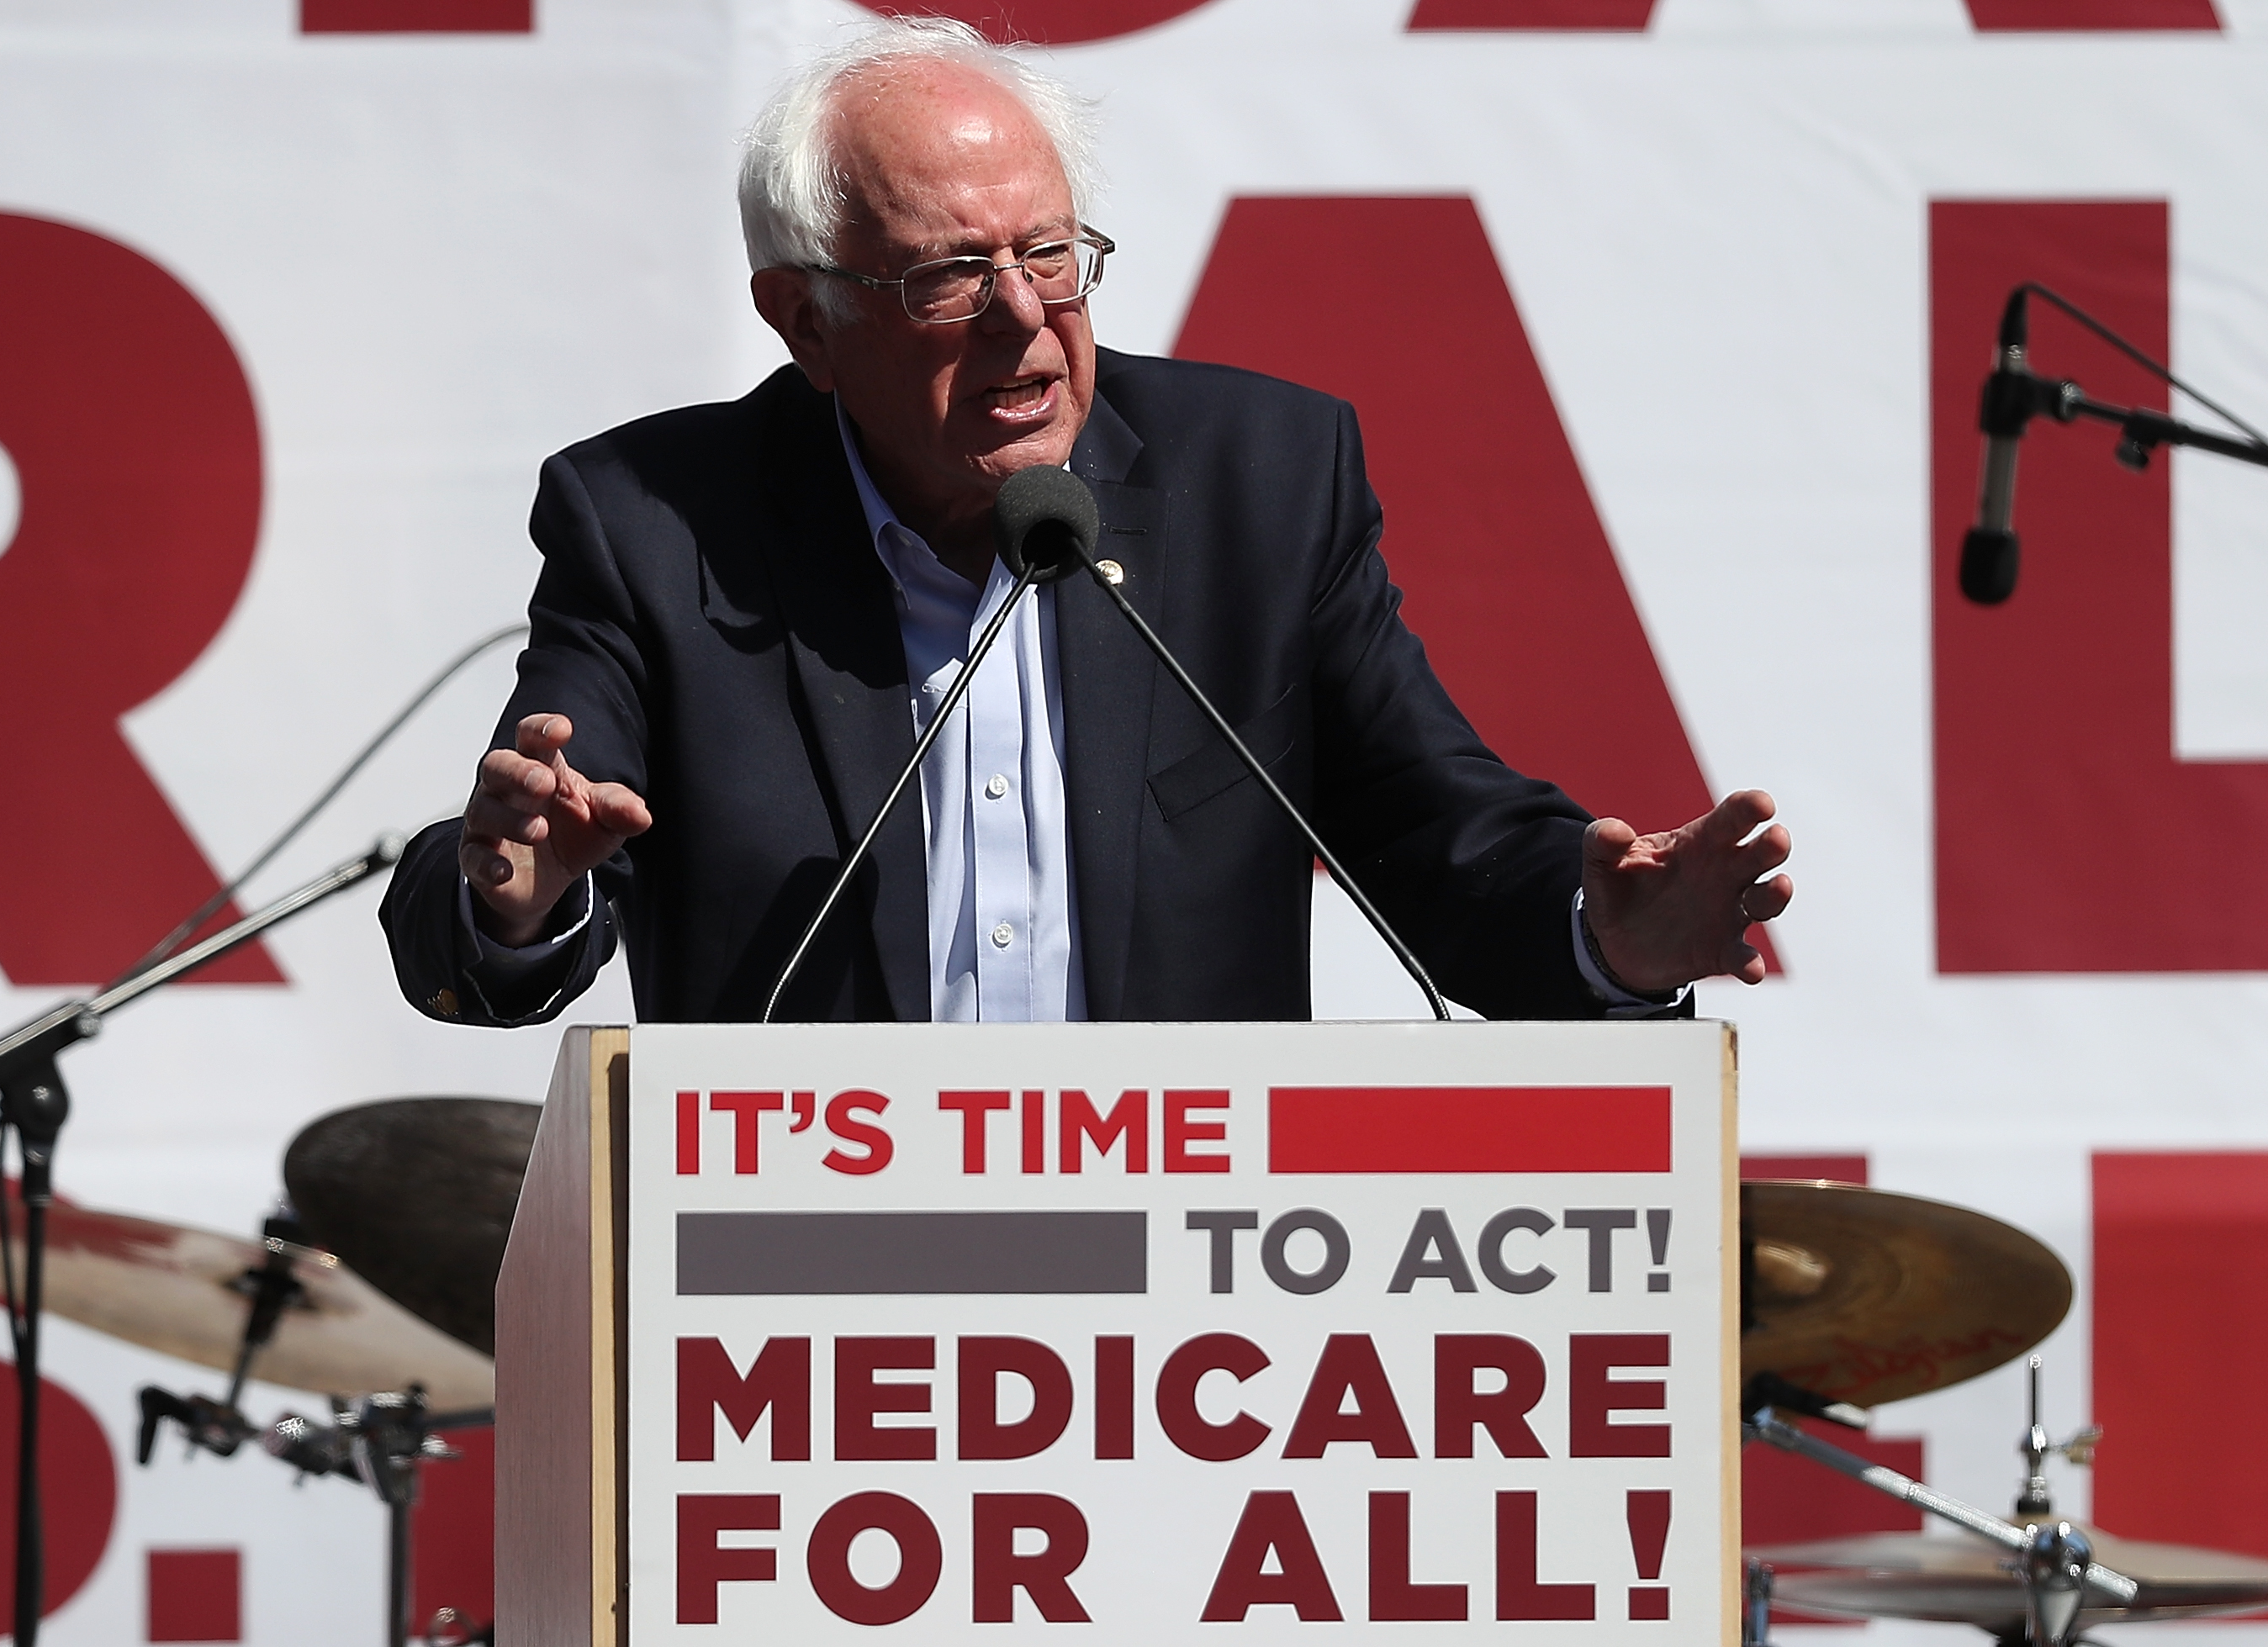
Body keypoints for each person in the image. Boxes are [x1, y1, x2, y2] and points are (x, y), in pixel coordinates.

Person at [379, 16, 1791, 1027]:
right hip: (797, 1297)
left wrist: (1607, 934)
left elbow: (1434, 830)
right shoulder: (654, 526)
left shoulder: (1262, 481)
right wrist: (515, 898)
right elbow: (509, 881)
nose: (1027, 321)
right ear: (807, 322)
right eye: (948, 277)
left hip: (1186, 1294)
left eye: (1050, 254)